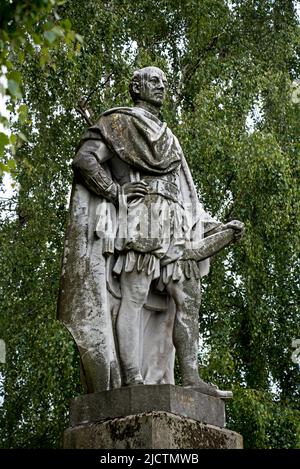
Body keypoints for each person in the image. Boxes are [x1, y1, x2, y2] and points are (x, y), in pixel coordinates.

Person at [58, 66, 244, 397]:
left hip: (175, 222)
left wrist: (211, 226)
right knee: (135, 294)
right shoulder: (117, 122)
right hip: (141, 216)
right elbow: (85, 159)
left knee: (187, 297)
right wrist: (114, 191)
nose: (162, 87)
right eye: (154, 81)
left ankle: (191, 377)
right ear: (136, 87)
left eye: (164, 82)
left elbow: (187, 191)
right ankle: (132, 381)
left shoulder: (170, 137)